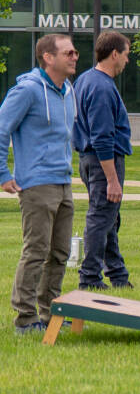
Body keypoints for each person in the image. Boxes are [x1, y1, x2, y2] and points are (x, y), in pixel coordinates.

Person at [1, 33, 78, 334]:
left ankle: (49, 313)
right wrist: (3, 175)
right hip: (36, 184)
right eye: (68, 53)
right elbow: (1, 129)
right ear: (48, 57)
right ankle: (25, 318)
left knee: (60, 253)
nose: (75, 57)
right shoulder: (27, 91)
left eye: (74, 52)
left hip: (63, 181)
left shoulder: (67, 89)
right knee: (36, 251)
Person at [70, 30, 133, 292]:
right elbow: (102, 136)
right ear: (114, 53)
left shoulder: (85, 80)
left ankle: (117, 274)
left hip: (89, 159)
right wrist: (112, 179)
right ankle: (90, 278)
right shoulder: (101, 87)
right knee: (100, 218)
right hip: (102, 160)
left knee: (109, 219)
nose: (127, 61)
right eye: (126, 55)